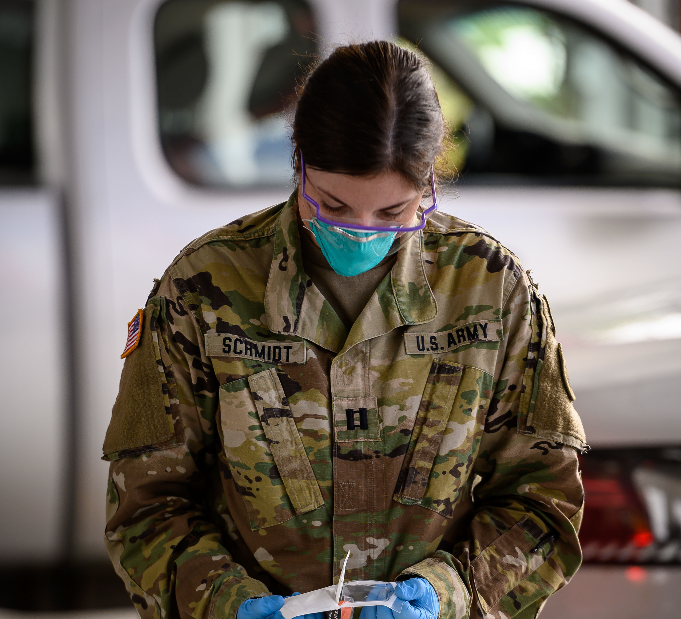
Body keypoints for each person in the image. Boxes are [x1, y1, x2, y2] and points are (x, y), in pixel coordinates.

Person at [103, 41, 587, 619]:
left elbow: (543, 502)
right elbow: (146, 508)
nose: (360, 232)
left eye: (393, 213)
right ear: (298, 163)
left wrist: (445, 597)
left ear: (429, 184)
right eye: (333, 204)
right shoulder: (202, 290)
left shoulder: (491, 291)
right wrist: (226, 604)